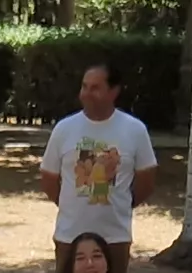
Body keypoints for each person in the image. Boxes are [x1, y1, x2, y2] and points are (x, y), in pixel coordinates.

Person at [38, 65, 157, 262]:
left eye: (95, 88)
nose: (87, 94)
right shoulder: (64, 129)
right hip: (70, 235)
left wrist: (121, 204)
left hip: (115, 237)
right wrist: (71, 204)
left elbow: (146, 181)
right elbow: (48, 178)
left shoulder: (135, 130)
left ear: (114, 92)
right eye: (84, 87)